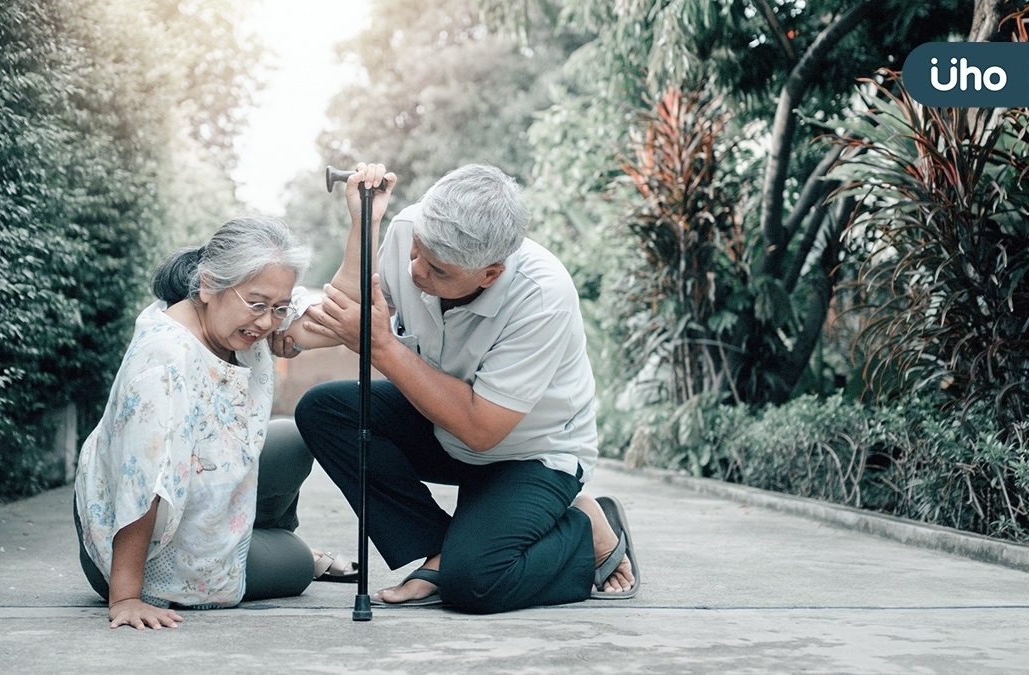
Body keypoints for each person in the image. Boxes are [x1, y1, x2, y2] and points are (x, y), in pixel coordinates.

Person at [277, 163, 639, 614]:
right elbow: (347, 314)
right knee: (325, 409)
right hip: (443, 430)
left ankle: (585, 528)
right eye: (415, 252)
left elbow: (481, 429)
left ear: (490, 273)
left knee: (476, 584)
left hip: (529, 455)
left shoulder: (542, 296)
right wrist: (360, 230)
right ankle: (439, 550)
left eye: (438, 271)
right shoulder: (415, 228)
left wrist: (384, 347)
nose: (415, 272)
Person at [73, 216, 356, 631]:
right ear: (207, 285)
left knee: (296, 438)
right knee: (295, 564)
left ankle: (254, 531)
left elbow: (342, 320)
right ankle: (281, 550)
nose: (266, 323)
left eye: (279, 308)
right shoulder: (164, 362)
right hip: (139, 549)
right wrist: (126, 597)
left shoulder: (239, 321)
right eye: (257, 305)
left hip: (202, 493)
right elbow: (141, 482)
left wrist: (360, 219)